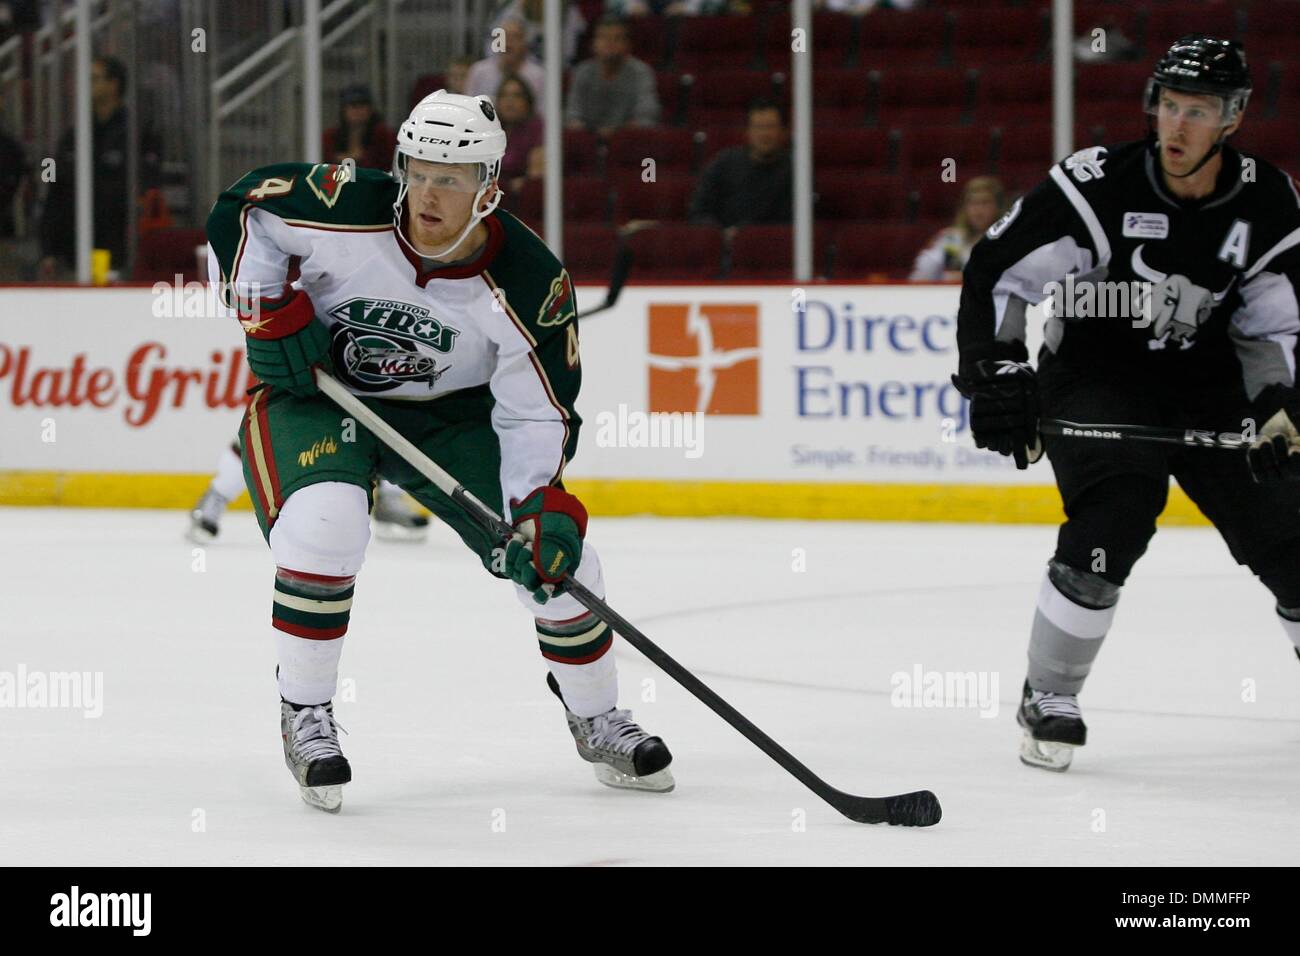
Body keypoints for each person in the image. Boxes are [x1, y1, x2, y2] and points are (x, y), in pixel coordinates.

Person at [205, 89, 673, 811]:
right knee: (325, 524)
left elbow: (534, 417)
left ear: (488, 187)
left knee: (562, 564)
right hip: (323, 396)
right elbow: (243, 212)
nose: (427, 193)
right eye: (417, 171)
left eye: (450, 179)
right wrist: (267, 313)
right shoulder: (343, 204)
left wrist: (534, 508)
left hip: (455, 421)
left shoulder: (529, 281)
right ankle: (306, 713)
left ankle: (597, 716)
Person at [953, 36, 1300, 772]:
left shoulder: (1269, 199)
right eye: (1169, 106)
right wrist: (998, 371)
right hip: (1096, 377)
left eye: (1198, 112)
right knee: (1114, 520)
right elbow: (997, 272)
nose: (1176, 127)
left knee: (1293, 540)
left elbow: (1274, 321)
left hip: (1212, 387)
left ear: (1233, 118)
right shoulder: (1097, 184)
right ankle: (1048, 696)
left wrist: (1281, 402)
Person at [39, 55, 161, 279]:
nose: (86, 85)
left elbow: (145, 189)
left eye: (93, 78)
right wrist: (48, 249)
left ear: (113, 84)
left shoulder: (137, 133)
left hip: (120, 248)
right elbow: (55, 193)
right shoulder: (74, 135)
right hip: (73, 248)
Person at [689, 98, 791, 228]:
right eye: (759, 127)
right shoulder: (723, 165)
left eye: (770, 127)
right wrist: (722, 234)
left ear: (783, 131)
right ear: (748, 131)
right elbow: (698, 212)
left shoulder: (795, 171)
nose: (765, 134)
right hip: (728, 245)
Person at [564, 17, 660, 139]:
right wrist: (586, 135)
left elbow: (646, 118)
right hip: (588, 142)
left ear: (628, 45)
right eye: (603, 37)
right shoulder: (582, 72)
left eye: (617, 38)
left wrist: (616, 133)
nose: (609, 43)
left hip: (626, 142)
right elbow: (572, 115)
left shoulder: (641, 72)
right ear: (593, 44)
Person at [909, 177, 1007, 281]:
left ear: (998, 207)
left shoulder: (1008, 240)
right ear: (964, 207)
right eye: (973, 203)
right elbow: (920, 277)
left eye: (985, 203)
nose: (978, 209)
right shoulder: (951, 239)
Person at [466, 17, 546, 115]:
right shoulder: (478, 71)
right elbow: (469, 110)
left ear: (524, 43)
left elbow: (543, 114)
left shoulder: (539, 76)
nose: (507, 43)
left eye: (515, 37)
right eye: (502, 37)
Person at [322, 83, 395, 171]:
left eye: (362, 105)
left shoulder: (384, 137)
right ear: (343, 110)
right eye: (353, 105)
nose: (358, 110)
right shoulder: (330, 136)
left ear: (370, 109)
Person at [495, 74, 545, 193]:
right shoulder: (490, 127)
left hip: (521, 195)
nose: (509, 101)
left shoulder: (537, 128)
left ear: (527, 102)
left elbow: (537, 174)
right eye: (504, 95)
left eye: (516, 96)